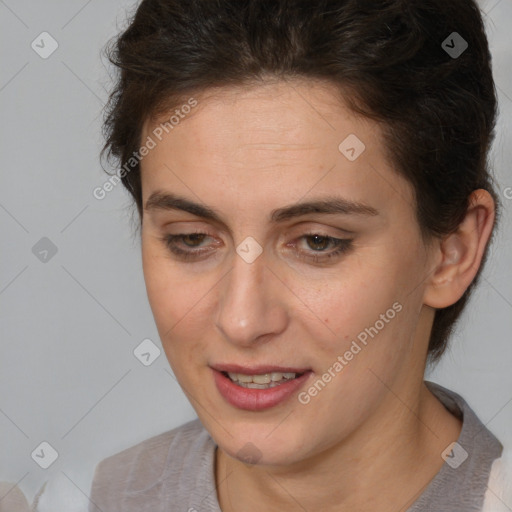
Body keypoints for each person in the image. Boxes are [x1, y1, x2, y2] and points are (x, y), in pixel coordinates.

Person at [88, 0, 512, 510]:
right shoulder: (111, 494)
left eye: (318, 242)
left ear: (453, 251)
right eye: (192, 238)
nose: (242, 321)